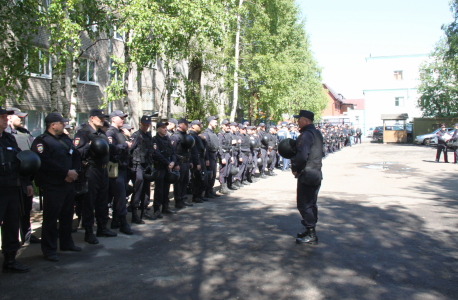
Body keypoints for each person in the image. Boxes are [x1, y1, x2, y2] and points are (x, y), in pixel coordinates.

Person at [32, 113, 83, 261]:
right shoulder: (41, 142)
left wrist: (73, 172)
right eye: (61, 123)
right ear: (52, 125)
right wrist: (65, 173)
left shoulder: (65, 139)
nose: (64, 125)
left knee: (67, 215)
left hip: (68, 183)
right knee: (51, 218)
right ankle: (49, 249)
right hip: (53, 185)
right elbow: (45, 162)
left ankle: (67, 243)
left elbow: (75, 155)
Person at [74, 109, 118, 244]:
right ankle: (88, 231)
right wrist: (89, 146)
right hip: (90, 170)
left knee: (102, 200)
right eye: (99, 117)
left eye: (103, 117)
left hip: (103, 170)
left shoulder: (102, 133)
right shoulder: (84, 133)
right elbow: (77, 153)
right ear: (92, 118)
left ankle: (102, 227)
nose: (102, 119)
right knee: (89, 201)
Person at [0, 106, 30, 273]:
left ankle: (10, 260)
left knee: (12, 225)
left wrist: (26, 182)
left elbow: (21, 161)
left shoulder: (9, 139)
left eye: (6, 116)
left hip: (11, 188)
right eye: (2, 117)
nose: (6, 119)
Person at [5, 107, 41, 244]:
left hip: (25, 178)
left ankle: (26, 235)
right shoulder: (6, 135)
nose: (22, 119)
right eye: (18, 117)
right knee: (10, 214)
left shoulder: (25, 133)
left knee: (26, 209)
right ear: (9, 118)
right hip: (10, 180)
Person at [292, 110, 323, 245]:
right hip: (315, 172)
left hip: (307, 174)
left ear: (305, 120)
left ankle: (311, 233)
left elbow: (302, 155)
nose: (297, 121)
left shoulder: (306, 134)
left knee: (304, 204)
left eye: (299, 119)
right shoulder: (316, 133)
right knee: (311, 203)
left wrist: (295, 168)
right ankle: (309, 230)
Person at [106, 110, 133, 235]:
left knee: (121, 196)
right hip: (115, 169)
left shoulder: (119, 133)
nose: (123, 120)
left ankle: (116, 220)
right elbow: (110, 149)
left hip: (123, 168)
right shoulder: (110, 133)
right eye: (120, 118)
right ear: (113, 119)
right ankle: (122, 222)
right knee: (120, 197)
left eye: (123, 117)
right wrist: (125, 146)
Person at [130, 115, 156, 222]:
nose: (146, 127)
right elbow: (130, 150)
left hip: (147, 165)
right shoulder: (136, 135)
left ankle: (144, 210)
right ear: (140, 124)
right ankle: (134, 213)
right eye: (144, 125)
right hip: (138, 166)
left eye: (147, 125)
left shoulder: (149, 136)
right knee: (138, 188)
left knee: (146, 189)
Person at [171, 118, 199, 208]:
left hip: (186, 161)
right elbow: (173, 151)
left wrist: (190, 161)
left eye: (188, 124)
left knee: (185, 181)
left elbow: (189, 150)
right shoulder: (175, 136)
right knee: (179, 182)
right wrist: (176, 164)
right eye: (185, 124)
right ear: (180, 125)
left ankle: (183, 198)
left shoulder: (186, 135)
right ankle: (178, 201)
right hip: (180, 162)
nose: (187, 126)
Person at [151, 121, 178, 217]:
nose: (165, 129)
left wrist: (173, 162)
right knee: (159, 189)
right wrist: (167, 163)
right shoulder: (155, 140)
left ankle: (165, 207)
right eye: (162, 127)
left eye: (166, 127)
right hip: (160, 167)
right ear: (158, 129)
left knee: (166, 188)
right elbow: (156, 154)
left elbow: (173, 152)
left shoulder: (168, 139)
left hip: (168, 167)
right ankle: (157, 209)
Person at [188, 120, 209, 203]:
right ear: (193, 126)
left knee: (203, 178)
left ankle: (199, 195)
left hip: (201, 158)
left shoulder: (197, 136)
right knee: (197, 178)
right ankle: (196, 196)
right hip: (197, 159)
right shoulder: (191, 136)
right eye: (198, 125)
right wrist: (196, 162)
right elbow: (193, 150)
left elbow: (203, 148)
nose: (200, 127)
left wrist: (203, 140)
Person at [201, 116, 220, 198]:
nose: (216, 124)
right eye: (215, 122)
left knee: (214, 174)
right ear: (210, 122)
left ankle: (210, 190)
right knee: (210, 174)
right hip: (210, 156)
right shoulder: (206, 133)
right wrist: (207, 159)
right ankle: (207, 191)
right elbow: (206, 148)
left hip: (214, 155)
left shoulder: (213, 133)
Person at [217, 120, 234, 194]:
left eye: (228, 125)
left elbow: (231, 145)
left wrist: (232, 156)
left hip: (229, 154)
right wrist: (222, 157)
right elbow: (219, 147)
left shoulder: (228, 134)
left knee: (227, 171)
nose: (228, 127)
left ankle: (225, 185)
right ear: (222, 125)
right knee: (223, 171)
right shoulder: (220, 134)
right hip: (223, 154)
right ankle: (222, 187)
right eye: (226, 125)